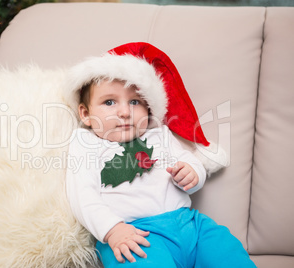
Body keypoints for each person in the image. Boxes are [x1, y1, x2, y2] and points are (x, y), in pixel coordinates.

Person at [65, 42, 256, 267]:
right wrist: (112, 230)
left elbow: (187, 161)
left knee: (227, 251)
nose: (125, 112)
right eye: (109, 102)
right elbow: (82, 195)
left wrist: (192, 174)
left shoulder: (159, 134)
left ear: (148, 108)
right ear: (86, 114)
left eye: (135, 102)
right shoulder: (86, 143)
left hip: (191, 225)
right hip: (135, 234)